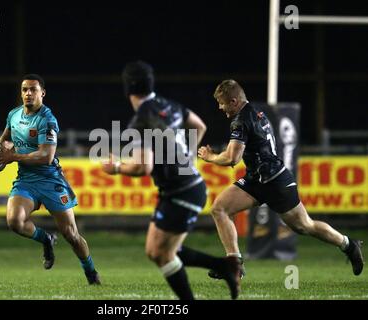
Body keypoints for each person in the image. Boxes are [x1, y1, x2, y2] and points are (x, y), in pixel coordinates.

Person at [101, 61, 242, 300]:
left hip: (182, 191)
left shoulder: (141, 119)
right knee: (156, 250)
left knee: (161, 253)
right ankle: (225, 267)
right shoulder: (169, 105)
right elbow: (199, 125)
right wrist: (186, 155)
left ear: (128, 89)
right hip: (185, 188)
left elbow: (142, 167)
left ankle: (202, 288)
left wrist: (114, 167)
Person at [198, 79, 364, 280]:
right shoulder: (257, 112)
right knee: (219, 208)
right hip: (258, 178)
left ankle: (348, 244)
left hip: (274, 181)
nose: (220, 107)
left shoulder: (241, 120)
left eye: (222, 103)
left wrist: (210, 157)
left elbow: (232, 158)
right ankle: (234, 263)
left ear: (234, 101)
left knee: (304, 226)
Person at [0, 74, 100, 284]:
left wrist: (12, 156)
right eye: (24, 90)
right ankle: (46, 239)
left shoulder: (47, 119)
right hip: (26, 180)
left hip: (51, 181)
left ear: (42, 93)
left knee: (71, 234)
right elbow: (4, 141)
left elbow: (46, 156)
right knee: (14, 221)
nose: (28, 93)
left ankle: (91, 273)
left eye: (33, 89)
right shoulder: (13, 115)